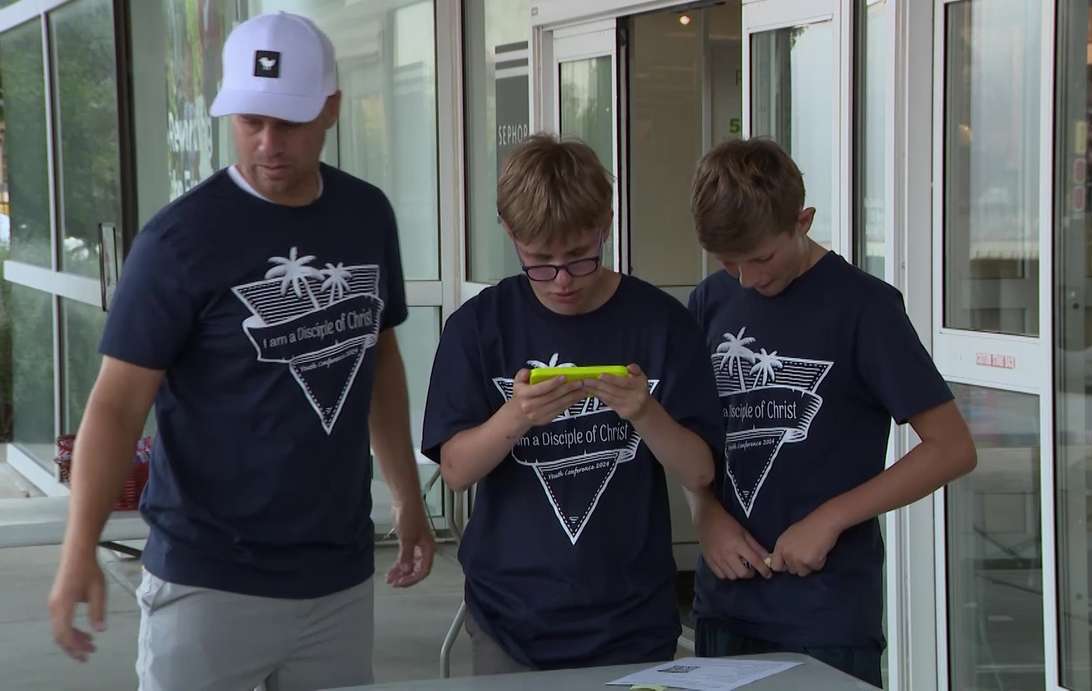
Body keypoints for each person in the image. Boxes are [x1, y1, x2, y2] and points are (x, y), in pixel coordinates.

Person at [46, 12, 435, 690]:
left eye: (288, 121)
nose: (267, 142)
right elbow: (114, 406)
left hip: (336, 577)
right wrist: (78, 548)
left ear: (331, 110)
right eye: (250, 120)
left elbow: (378, 362)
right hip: (207, 581)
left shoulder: (367, 217)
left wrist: (407, 494)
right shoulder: (178, 240)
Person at [421, 133, 723, 673]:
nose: (561, 281)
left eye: (581, 258)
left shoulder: (659, 323)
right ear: (510, 234)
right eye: (540, 262)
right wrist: (517, 415)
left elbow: (699, 472)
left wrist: (645, 412)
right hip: (509, 618)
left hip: (632, 619)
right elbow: (457, 470)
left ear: (606, 223)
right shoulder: (479, 327)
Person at [684, 137, 977, 687]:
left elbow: (952, 449)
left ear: (803, 220)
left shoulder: (865, 308)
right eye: (728, 263)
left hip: (827, 611)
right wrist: (705, 517)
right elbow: (692, 440)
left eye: (762, 258)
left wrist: (829, 519)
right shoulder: (710, 301)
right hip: (724, 603)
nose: (747, 279)